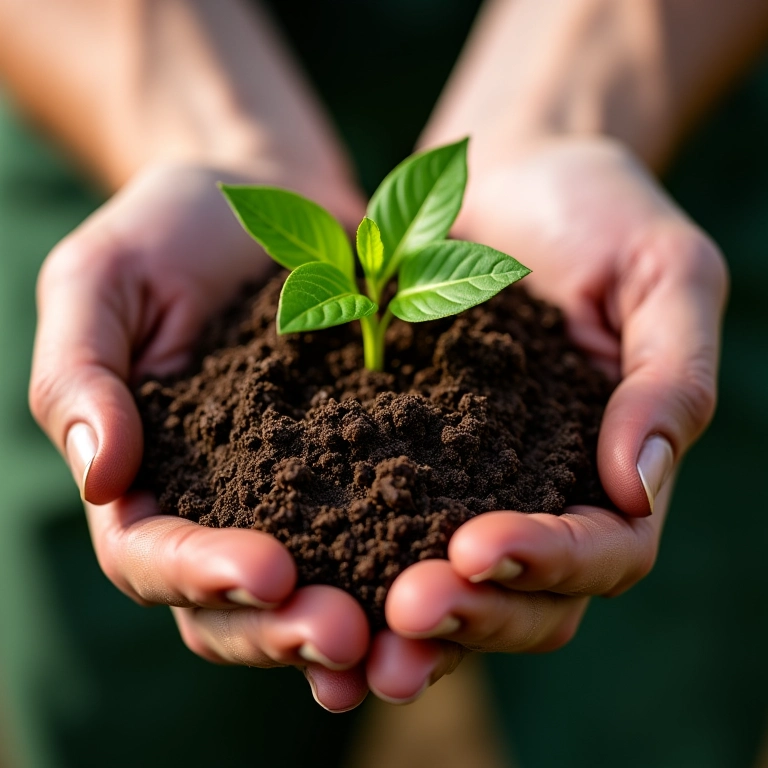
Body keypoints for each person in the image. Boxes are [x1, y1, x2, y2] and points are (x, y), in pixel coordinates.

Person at [0, 1, 765, 765]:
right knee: (136, 719)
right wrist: (196, 132)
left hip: (675, 80)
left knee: (652, 706)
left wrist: (566, 116)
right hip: (102, 73)